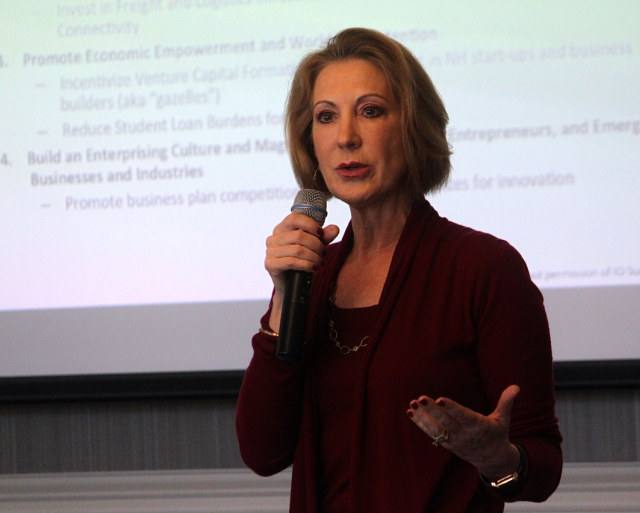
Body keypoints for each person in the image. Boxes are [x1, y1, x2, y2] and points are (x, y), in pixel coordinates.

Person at [236, 27, 562, 513]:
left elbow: (542, 467)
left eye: (370, 111)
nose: (346, 137)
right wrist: (283, 302)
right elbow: (263, 453)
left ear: (413, 126)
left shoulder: (483, 269)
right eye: (326, 117)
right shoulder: (311, 276)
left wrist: (498, 459)